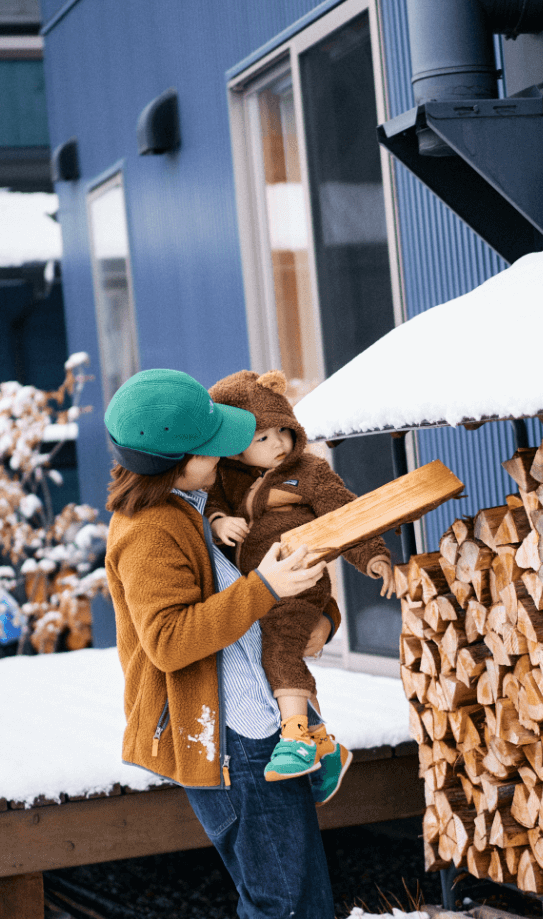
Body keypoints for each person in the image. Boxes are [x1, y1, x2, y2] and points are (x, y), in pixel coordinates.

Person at [103, 368, 336, 919]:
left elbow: (252, 582)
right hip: (232, 744)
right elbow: (169, 640)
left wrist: (322, 615)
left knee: (304, 894)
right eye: (211, 448)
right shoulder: (148, 532)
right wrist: (265, 589)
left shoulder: (194, 502)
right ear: (174, 462)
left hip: (258, 726)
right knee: (281, 903)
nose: (225, 455)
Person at [205, 370, 394, 788]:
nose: (278, 444)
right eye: (262, 438)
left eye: (283, 432)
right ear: (235, 450)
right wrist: (219, 521)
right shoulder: (225, 478)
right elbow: (213, 505)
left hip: (300, 581)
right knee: (275, 651)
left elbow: (347, 517)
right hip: (257, 587)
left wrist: (374, 558)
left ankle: (295, 738)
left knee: (279, 649)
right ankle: (323, 741)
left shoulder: (308, 471)